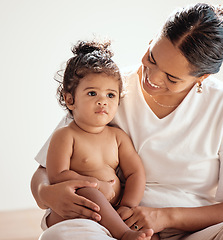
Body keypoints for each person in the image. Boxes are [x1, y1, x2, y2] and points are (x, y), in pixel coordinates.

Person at [31, 3, 223, 240]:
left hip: (196, 233)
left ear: (202, 78)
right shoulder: (110, 90)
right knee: (63, 235)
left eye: (172, 77)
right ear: (152, 39)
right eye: (151, 58)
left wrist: (166, 217)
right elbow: (44, 172)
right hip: (114, 228)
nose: (152, 78)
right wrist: (47, 194)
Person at [43, 39, 154, 240]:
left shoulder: (118, 137)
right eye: (92, 93)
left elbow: (135, 173)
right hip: (71, 209)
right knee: (89, 193)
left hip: (110, 211)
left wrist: (128, 205)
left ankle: (123, 229)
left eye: (111, 95)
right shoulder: (66, 135)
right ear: (70, 100)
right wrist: (94, 184)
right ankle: (123, 234)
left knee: (151, 234)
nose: (102, 100)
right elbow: (57, 176)